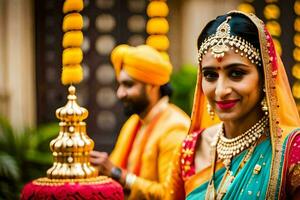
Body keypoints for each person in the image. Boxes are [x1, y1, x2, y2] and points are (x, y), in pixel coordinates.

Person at [167, 11, 300, 200]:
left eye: (236, 73)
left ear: (265, 78)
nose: (220, 90)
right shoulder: (191, 149)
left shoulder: (291, 150)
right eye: (210, 75)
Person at [90, 44, 190, 199]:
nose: (120, 93)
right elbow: (111, 168)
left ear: (152, 86)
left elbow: (170, 194)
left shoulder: (175, 127)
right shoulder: (134, 122)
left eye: (128, 85)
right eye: (120, 84)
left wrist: (118, 175)